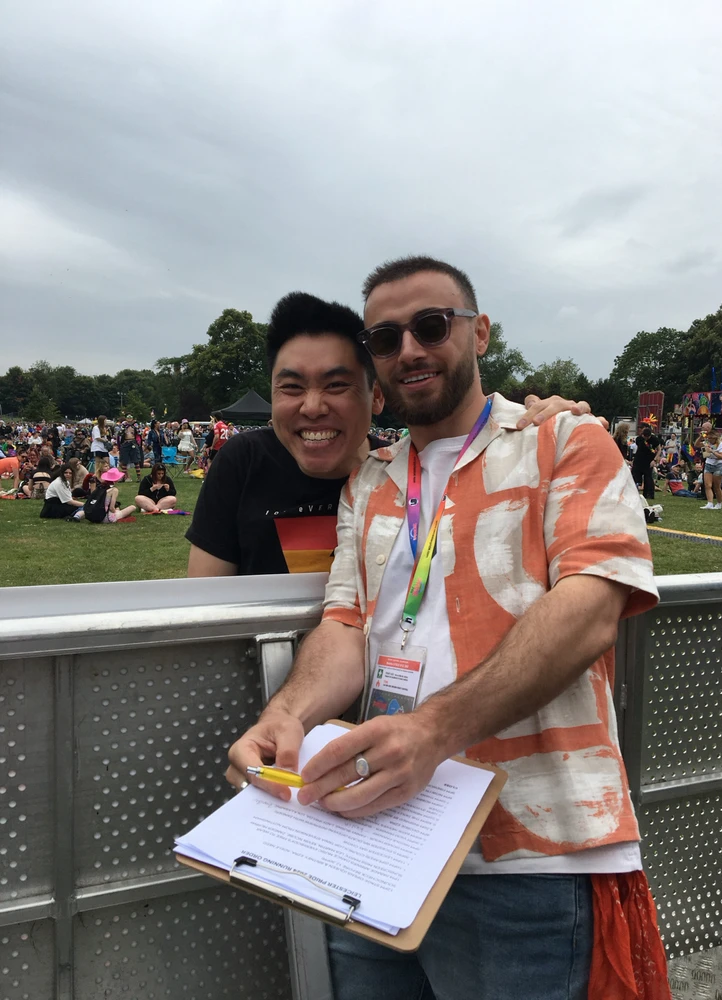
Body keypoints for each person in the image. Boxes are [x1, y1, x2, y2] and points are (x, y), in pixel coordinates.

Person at [226, 257, 670, 1000]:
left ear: (480, 333)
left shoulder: (562, 440)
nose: (409, 350)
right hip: (375, 845)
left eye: (431, 326)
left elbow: (592, 606)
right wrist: (285, 717)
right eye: (385, 337)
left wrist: (431, 732)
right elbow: (346, 623)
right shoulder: (369, 482)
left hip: (525, 853)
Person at [187, 292, 594, 577]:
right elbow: (206, 608)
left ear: (376, 396)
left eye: (336, 385)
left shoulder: (403, 473)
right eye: (291, 388)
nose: (312, 407)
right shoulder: (243, 462)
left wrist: (555, 425)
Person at [700, 426, 722, 510]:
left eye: (711, 438)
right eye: (709, 438)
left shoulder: (720, 445)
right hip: (708, 464)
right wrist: (700, 437)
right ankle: (710, 503)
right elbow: (696, 444)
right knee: (707, 485)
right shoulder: (706, 443)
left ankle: (719, 503)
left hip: (718, 466)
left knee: (717, 486)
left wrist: (712, 451)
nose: (710, 440)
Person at [631, 425, 658, 499]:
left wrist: (654, 460)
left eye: (647, 437)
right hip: (638, 460)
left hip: (649, 461)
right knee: (635, 476)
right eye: (644, 436)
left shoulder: (654, 439)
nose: (646, 438)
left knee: (648, 478)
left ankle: (648, 494)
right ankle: (634, 493)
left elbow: (659, 450)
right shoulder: (639, 439)